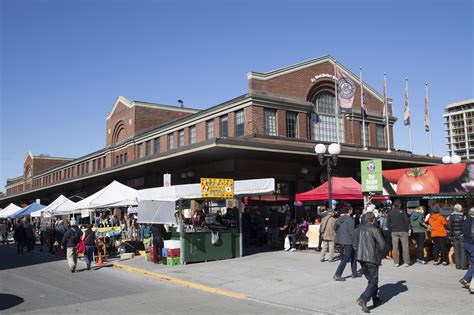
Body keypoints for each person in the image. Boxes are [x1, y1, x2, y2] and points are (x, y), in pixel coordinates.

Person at [353, 212, 385, 313]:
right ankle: (364, 298)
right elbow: (382, 244)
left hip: (361, 258)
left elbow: (354, 245)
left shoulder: (357, 229)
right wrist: (379, 255)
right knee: (373, 280)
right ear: (373, 220)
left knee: (371, 280)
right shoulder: (374, 229)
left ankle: (375, 299)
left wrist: (359, 253)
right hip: (371, 258)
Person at [334, 206, 360, 281]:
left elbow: (335, 228)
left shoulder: (339, 219)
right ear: (349, 211)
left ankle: (354, 272)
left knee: (353, 256)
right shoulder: (350, 220)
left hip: (341, 240)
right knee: (347, 257)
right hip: (349, 240)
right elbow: (351, 232)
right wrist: (355, 240)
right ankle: (337, 274)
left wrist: (340, 234)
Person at [387, 199, 410, 267]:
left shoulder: (390, 213)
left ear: (393, 205)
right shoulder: (403, 212)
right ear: (400, 204)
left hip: (394, 231)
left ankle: (396, 262)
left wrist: (391, 230)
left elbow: (388, 223)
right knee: (405, 247)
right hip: (403, 231)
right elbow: (406, 222)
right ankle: (406, 262)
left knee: (395, 247)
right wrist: (406, 230)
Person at [460, 207, 474, 294]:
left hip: (465, 243)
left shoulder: (465, 219)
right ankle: (466, 279)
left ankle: (468, 280)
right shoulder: (473, 221)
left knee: (472, 263)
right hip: (471, 244)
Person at [448, 204, 466, 269]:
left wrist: (450, 235)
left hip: (454, 235)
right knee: (463, 250)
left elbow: (449, 226)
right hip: (462, 235)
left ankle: (458, 266)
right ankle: (463, 266)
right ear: (460, 209)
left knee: (456, 250)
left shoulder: (451, 216)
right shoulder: (463, 216)